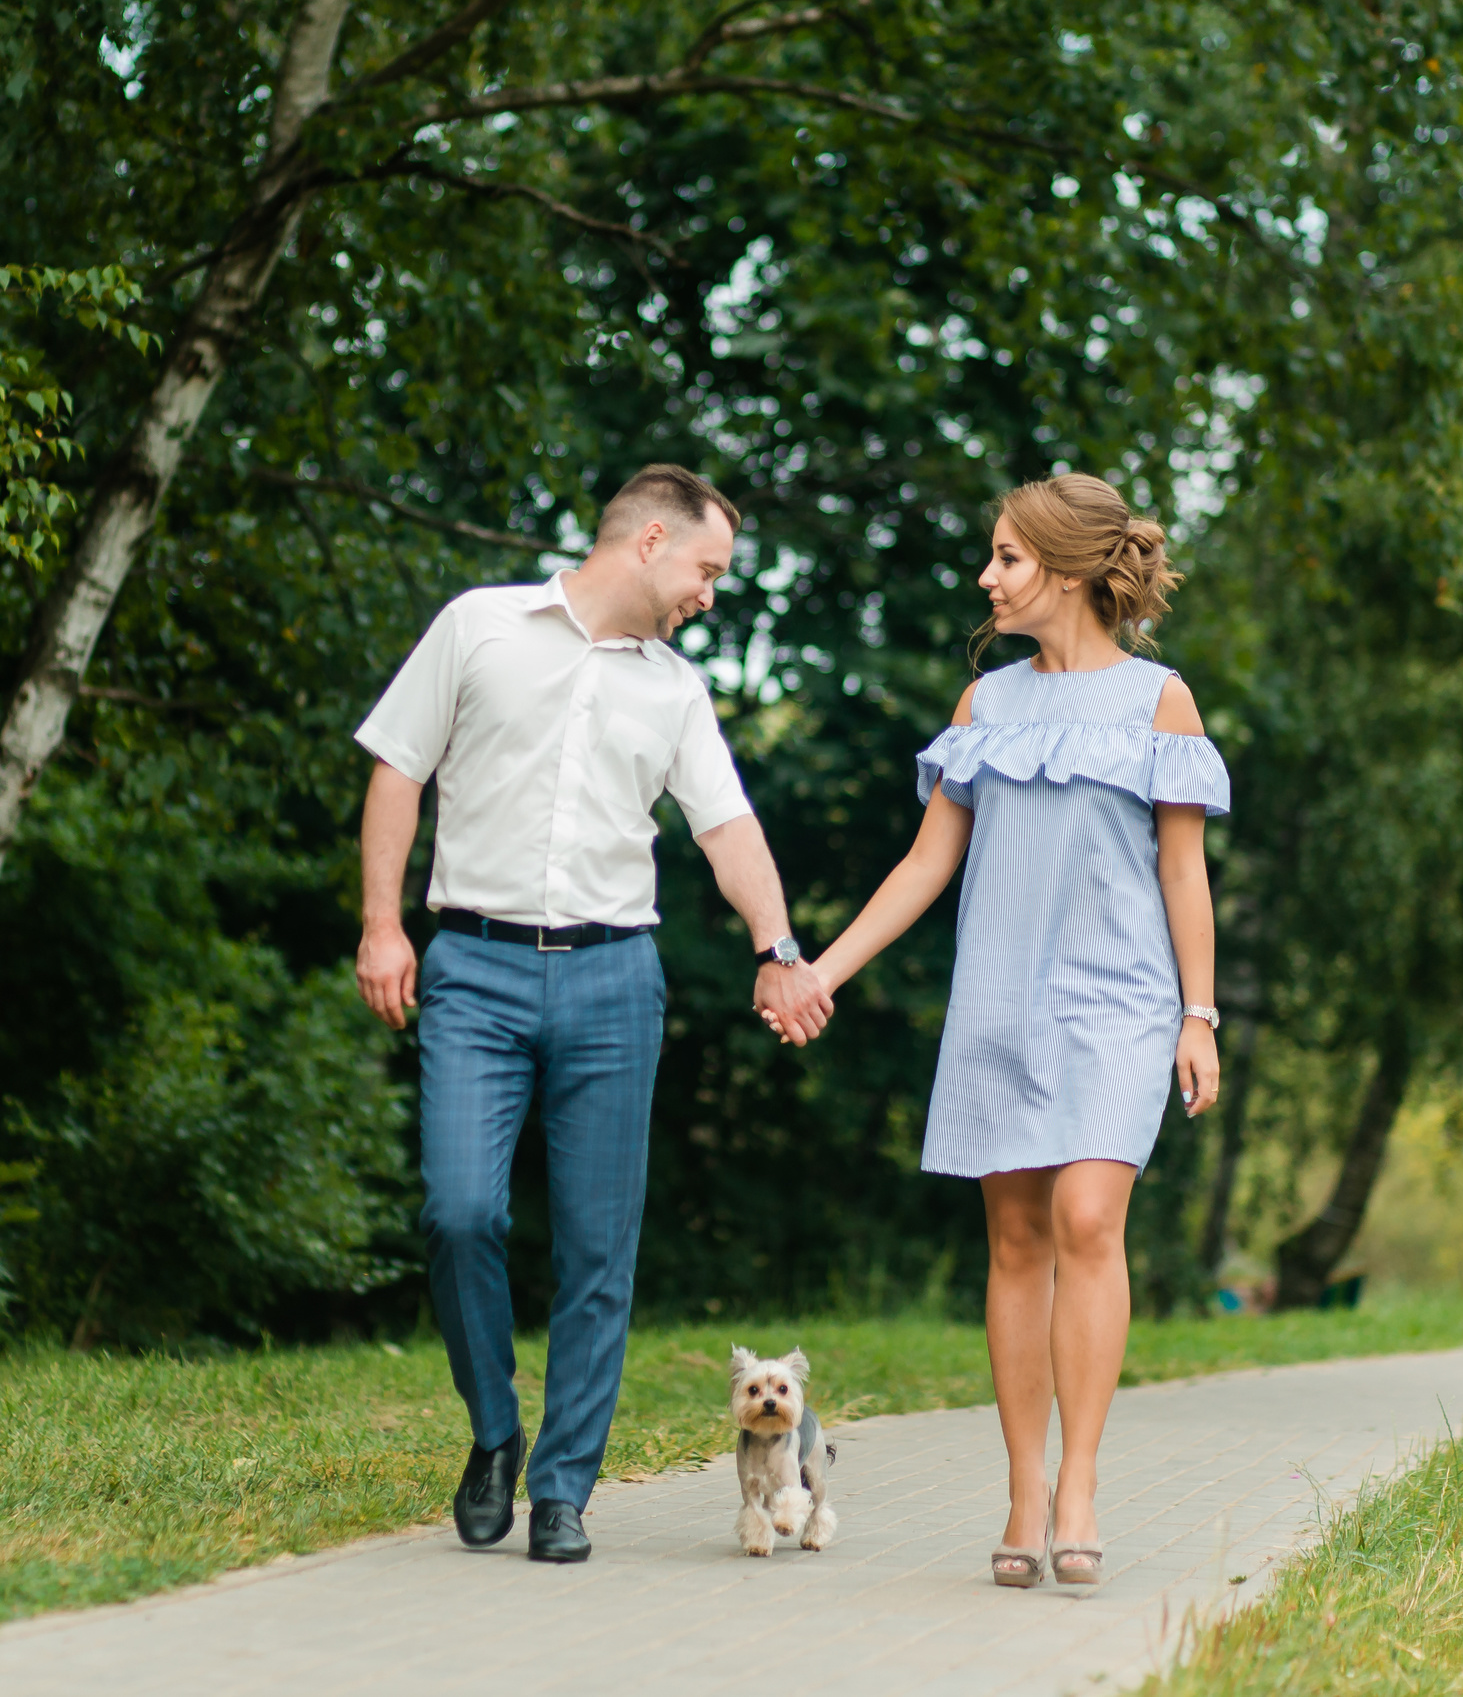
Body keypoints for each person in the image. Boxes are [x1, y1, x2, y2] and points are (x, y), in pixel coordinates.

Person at [353, 464, 833, 1564]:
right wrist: (383, 922)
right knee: (460, 1211)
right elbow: (395, 766)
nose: (711, 593)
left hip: (615, 980)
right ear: (652, 540)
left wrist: (778, 948)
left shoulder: (672, 688)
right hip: (473, 964)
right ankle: (492, 1435)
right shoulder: (480, 627)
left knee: (597, 1249)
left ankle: (564, 1487)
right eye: (707, 569)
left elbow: (727, 826)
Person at [796, 473, 1229, 1589]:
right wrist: (820, 970)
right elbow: (925, 862)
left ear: (1073, 569)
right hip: (999, 1000)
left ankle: (1079, 1483)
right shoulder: (984, 708)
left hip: (1121, 1004)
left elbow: (1183, 871)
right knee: (1017, 1242)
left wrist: (1199, 1013)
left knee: (1090, 1215)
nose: (986, 578)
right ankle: (1021, 1487)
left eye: (1006, 558)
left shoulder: (1158, 700)